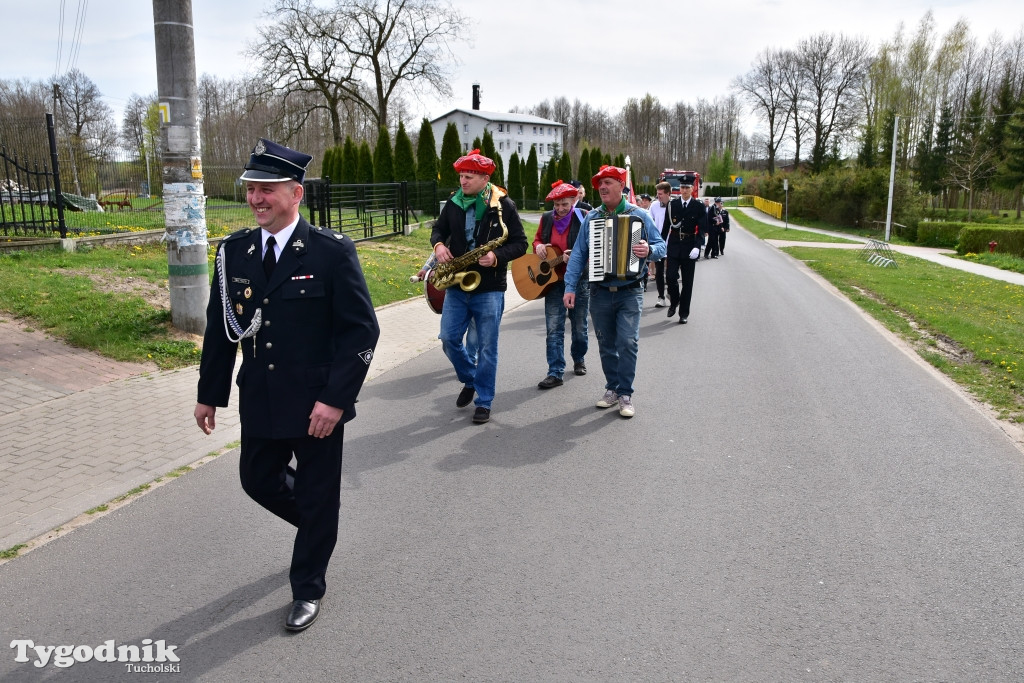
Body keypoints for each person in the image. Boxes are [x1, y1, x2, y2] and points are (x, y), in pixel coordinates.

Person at [194, 138, 380, 632]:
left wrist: (336, 401)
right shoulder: (233, 253)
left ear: (295, 194)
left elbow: (362, 331)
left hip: (317, 404)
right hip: (261, 396)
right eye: (251, 189)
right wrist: (210, 393)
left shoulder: (331, 251)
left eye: (267, 190)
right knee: (257, 480)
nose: (256, 198)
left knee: (318, 494)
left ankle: (308, 588)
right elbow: (221, 328)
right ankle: (320, 528)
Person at [431, 149, 528, 424]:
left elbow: (520, 243)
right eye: (461, 175)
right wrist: (438, 246)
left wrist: (497, 256)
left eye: (469, 176)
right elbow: (438, 230)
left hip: (489, 287)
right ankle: (471, 379)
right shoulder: (453, 203)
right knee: (448, 339)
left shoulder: (503, 205)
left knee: (487, 347)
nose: (463, 181)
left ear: (485, 178)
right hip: (457, 285)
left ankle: (484, 401)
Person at [562, 165, 666, 418]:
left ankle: (626, 393)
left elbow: (661, 246)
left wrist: (648, 251)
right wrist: (570, 286)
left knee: (627, 342)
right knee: (607, 344)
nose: (602, 187)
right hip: (599, 292)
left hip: (630, 291)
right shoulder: (592, 218)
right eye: (599, 184)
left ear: (621, 185)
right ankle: (612, 388)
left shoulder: (639, 215)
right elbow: (578, 255)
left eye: (608, 182)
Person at [533, 180, 590, 389]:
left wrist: (576, 258)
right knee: (553, 328)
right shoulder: (547, 218)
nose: (560, 208)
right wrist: (538, 246)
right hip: (553, 282)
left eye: (564, 204)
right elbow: (537, 239)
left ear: (574, 200)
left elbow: (593, 248)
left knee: (579, 327)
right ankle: (555, 371)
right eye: (557, 204)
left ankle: (579, 358)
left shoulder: (583, 218)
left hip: (578, 281)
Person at [664, 176, 708, 324]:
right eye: (682, 187)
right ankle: (674, 301)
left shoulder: (698, 206)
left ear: (692, 189)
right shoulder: (672, 205)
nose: (684, 190)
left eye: (687, 187)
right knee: (670, 277)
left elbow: (702, 229)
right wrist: (660, 244)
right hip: (674, 244)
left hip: (690, 245)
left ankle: (684, 313)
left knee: (688, 283)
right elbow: (666, 227)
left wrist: (697, 246)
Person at [649, 182, 672, 308]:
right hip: (659, 242)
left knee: (670, 273)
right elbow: (650, 222)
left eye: (661, 194)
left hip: (672, 243)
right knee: (659, 271)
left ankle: (670, 292)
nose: (658, 197)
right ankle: (661, 297)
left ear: (668, 193)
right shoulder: (654, 205)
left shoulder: (674, 205)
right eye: (657, 194)